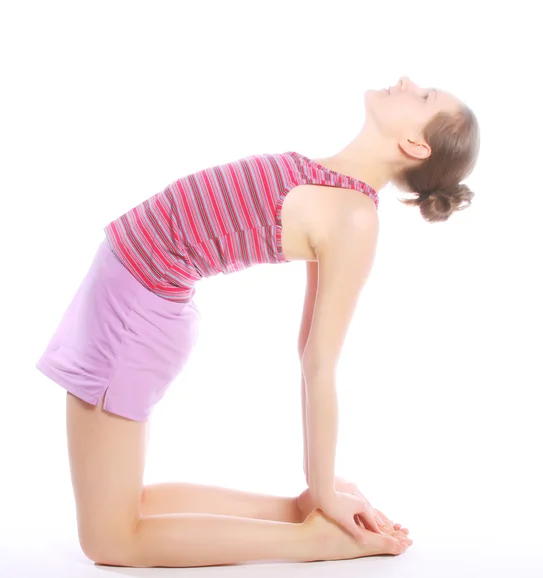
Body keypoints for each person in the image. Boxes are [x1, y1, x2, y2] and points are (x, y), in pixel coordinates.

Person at [36, 75, 480, 568]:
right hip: (134, 302)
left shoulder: (354, 218)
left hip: (132, 313)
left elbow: (318, 362)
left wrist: (327, 485)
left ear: (413, 145)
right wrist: (319, 487)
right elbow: (305, 349)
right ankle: (298, 513)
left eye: (422, 97)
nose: (406, 82)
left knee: (111, 541)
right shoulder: (331, 180)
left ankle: (314, 542)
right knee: (129, 508)